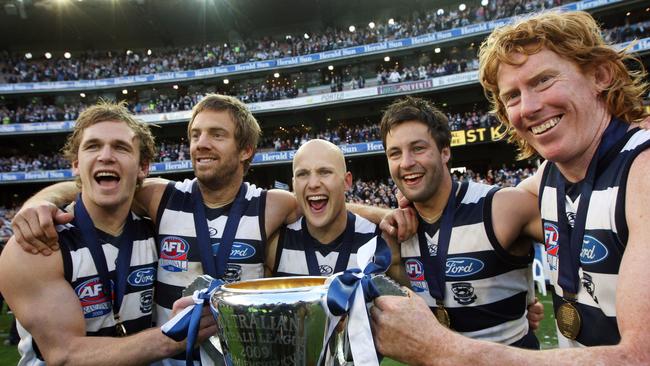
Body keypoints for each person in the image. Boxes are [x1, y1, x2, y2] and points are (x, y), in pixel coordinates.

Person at [10, 94, 394, 365]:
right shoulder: (159, 197)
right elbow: (96, 183)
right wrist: (41, 202)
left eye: (216, 135)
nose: (200, 144)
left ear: (246, 150)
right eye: (194, 135)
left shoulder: (271, 205)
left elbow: (328, 201)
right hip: (169, 358)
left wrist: (387, 215)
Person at [371, 11, 650, 364]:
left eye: (544, 81)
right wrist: (395, 212)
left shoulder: (643, 173)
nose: (529, 107)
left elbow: (640, 358)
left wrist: (440, 348)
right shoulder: (552, 178)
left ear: (600, 74)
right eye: (513, 96)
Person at [0, 102, 214, 365]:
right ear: (77, 165)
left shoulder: (159, 232)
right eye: (93, 146)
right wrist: (172, 337)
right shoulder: (37, 245)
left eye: (121, 147)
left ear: (143, 168)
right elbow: (65, 355)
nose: (106, 156)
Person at [378, 96, 542, 348]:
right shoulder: (399, 229)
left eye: (418, 148)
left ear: (445, 152)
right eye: (395, 153)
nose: (406, 162)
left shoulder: (500, 206)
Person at [267, 139, 408, 284]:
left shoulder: (380, 242)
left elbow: (410, 302)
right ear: (294, 184)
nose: (314, 184)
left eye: (325, 172)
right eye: (303, 174)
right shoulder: (276, 244)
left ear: (347, 181)